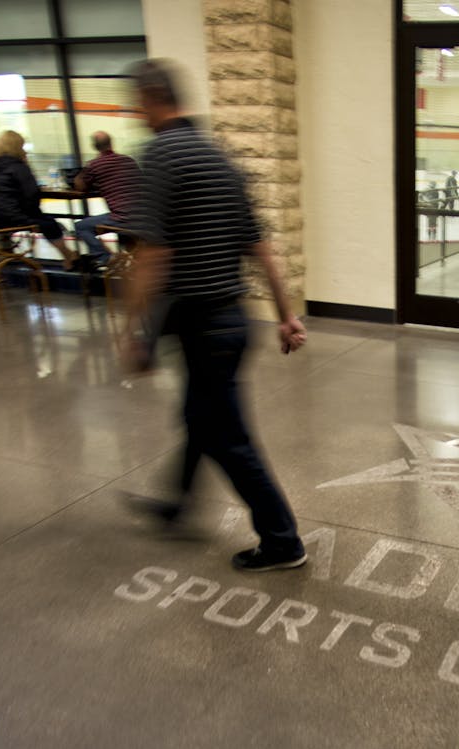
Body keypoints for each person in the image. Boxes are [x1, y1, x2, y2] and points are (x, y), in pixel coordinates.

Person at [123, 59, 308, 573]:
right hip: (232, 322)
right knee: (199, 418)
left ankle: (282, 540)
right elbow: (262, 250)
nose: (134, 112)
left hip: (202, 326)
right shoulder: (220, 159)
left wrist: (133, 331)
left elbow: (153, 255)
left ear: (151, 99)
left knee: (227, 437)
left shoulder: (160, 155)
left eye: (136, 102)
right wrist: (286, 316)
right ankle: (177, 505)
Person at [0, 130, 79, 269]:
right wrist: (34, 212)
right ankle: (68, 257)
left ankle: (69, 255)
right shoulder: (18, 167)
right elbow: (32, 194)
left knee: (45, 221)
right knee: (49, 224)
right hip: (13, 217)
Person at [73, 131, 141, 268]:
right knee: (124, 229)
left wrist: (82, 174)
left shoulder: (95, 165)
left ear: (94, 146)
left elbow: (80, 186)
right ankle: (131, 260)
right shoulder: (129, 160)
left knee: (80, 227)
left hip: (121, 218)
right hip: (141, 215)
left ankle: (105, 257)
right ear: (111, 143)